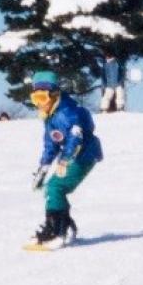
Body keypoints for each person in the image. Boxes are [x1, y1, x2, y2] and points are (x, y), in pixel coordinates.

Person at [27, 71, 103, 249]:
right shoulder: (51, 116)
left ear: (53, 94)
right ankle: (64, 226)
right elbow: (51, 144)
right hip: (74, 156)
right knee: (51, 188)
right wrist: (43, 169)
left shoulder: (66, 113)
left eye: (42, 98)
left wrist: (64, 161)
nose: (39, 103)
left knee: (56, 187)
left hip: (84, 155)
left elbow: (76, 138)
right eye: (35, 98)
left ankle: (57, 231)